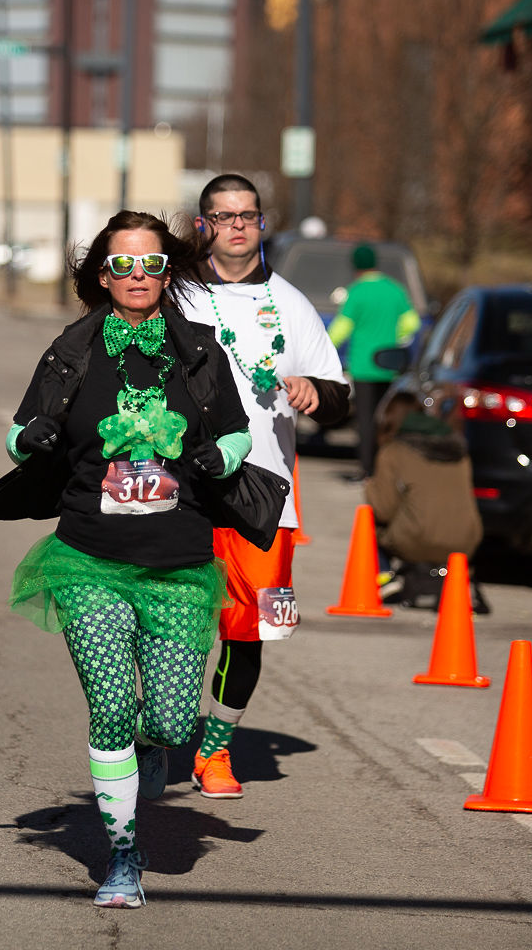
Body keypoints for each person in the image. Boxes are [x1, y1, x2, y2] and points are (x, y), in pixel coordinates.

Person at [0, 211, 254, 908]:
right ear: (101, 276)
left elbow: (239, 433)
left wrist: (221, 453)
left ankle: (154, 750)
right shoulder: (73, 348)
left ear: (168, 272)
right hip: (89, 554)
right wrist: (28, 436)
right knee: (113, 706)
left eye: (151, 265)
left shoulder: (200, 350)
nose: (138, 277)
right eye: (123, 266)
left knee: (175, 723)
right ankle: (123, 855)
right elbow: (17, 434)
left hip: (179, 559)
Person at [178, 174, 349, 799]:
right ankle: (150, 730)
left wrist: (316, 394)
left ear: (261, 223)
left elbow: (339, 395)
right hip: (183, 481)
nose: (238, 226)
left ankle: (216, 751)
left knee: (246, 629)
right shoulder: (176, 294)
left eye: (248, 215)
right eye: (224, 217)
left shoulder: (293, 304)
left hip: (264, 488)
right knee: (167, 614)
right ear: (204, 226)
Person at [366, 391, 486, 612]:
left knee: (366, 525)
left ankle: (386, 580)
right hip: (466, 542)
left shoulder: (393, 451)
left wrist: (369, 486)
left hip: (416, 541)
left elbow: (382, 509)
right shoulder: (459, 450)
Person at [326, 244, 420, 478]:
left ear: (356, 266)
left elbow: (341, 329)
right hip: (389, 366)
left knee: (366, 420)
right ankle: (385, 470)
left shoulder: (357, 292)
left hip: (364, 366)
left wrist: (324, 348)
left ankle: (367, 470)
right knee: (386, 419)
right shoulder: (395, 290)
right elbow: (412, 323)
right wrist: (393, 336)